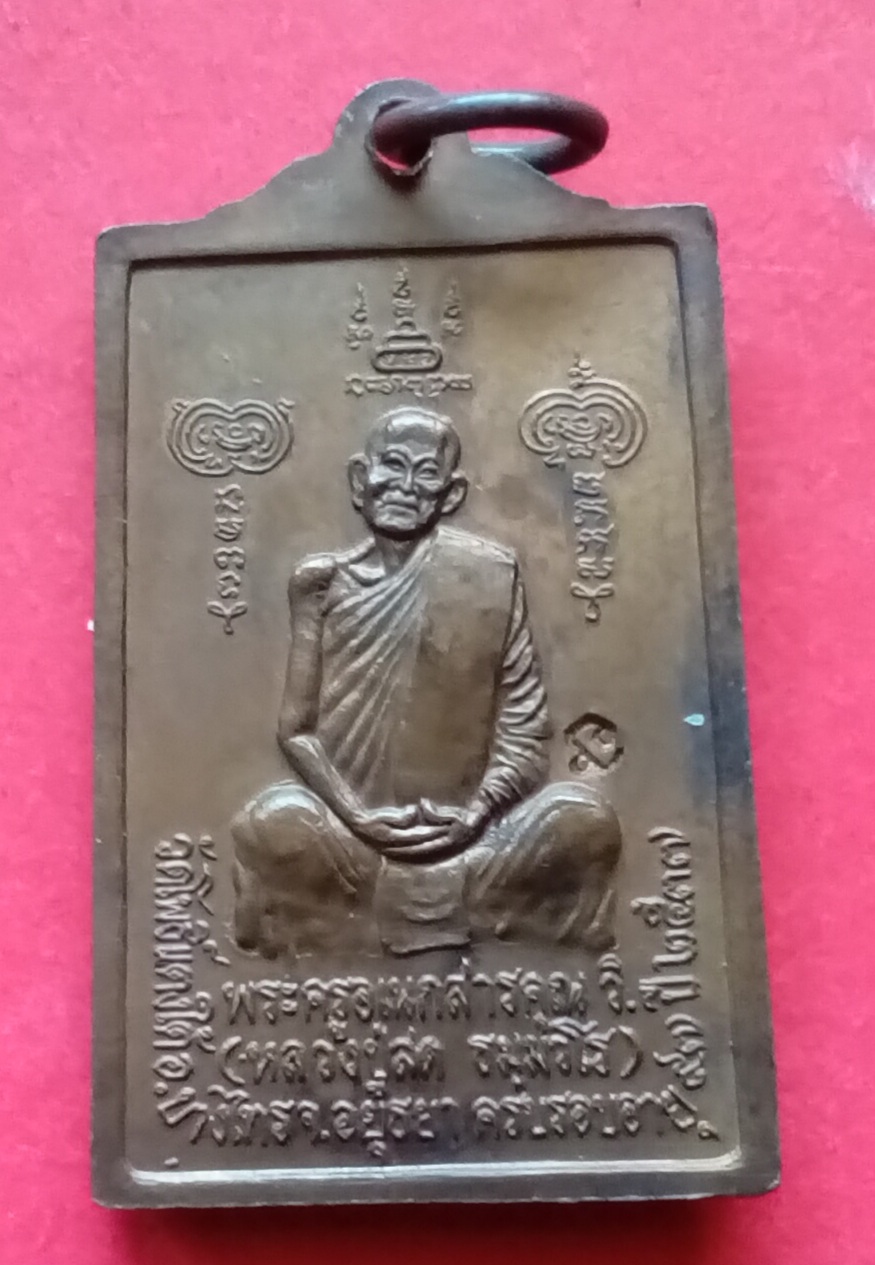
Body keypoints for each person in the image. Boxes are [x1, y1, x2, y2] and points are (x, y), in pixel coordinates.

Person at [232, 406, 621, 956]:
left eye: (425, 473)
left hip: (473, 842)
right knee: (272, 824)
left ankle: (348, 925)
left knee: (588, 823)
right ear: (359, 479)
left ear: (452, 494)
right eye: (393, 465)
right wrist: (359, 817)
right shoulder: (320, 584)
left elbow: (525, 732)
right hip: (350, 838)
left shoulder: (489, 576)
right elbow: (295, 732)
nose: (406, 486)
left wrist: (476, 814)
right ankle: (487, 918)